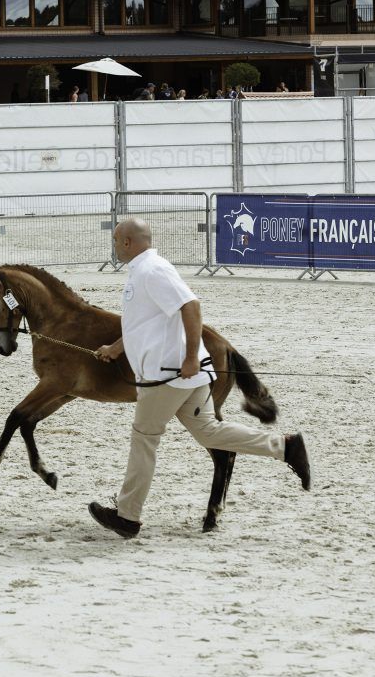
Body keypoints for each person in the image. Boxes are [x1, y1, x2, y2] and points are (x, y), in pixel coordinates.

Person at [87, 219, 311, 538]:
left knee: (144, 437)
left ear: (126, 242)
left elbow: (191, 307)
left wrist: (191, 357)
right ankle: (286, 447)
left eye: (115, 239)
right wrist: (117, 347)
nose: (113, 244)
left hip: (167, 375)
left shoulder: (153, 270)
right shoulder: (142, 270)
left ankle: (127, 515)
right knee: (209, 431)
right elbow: (144, 322)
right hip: (180, 373)